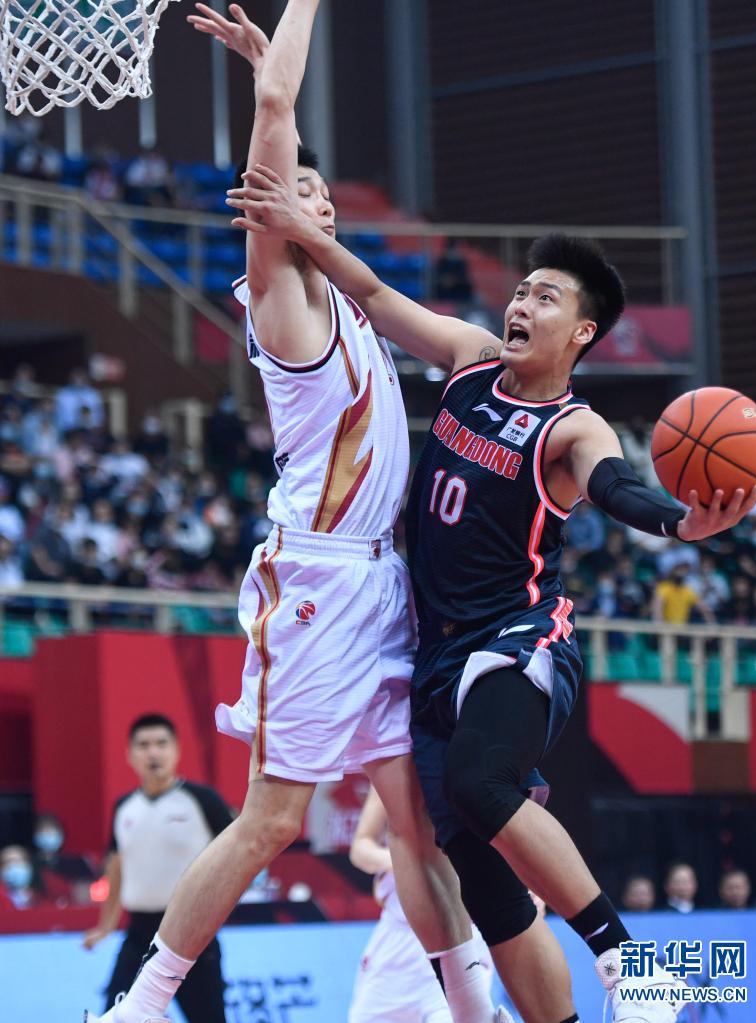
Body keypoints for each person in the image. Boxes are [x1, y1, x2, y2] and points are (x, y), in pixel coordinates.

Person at [229, 165, 756, 1022]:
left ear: (581, 331)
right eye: (520, 290)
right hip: (433, 646)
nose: (521, 304)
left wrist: (679, 523)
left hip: (519, 634)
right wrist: (302, 232)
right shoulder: (473, 359)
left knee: (482, 781)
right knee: (479, 874)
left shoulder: (573, 426)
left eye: (545, 297)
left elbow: (618, 486)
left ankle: (632, 966)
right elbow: (373, 293)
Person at [86, 4, 511, 1022]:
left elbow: (281, 112)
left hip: (381, 582)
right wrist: (272, 67)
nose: (314, 199)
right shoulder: (281, 302)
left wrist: (260, 78)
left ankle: (474, 1011)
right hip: (317, 579)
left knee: (416, 825)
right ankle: (139, 1005)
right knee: (273, 818)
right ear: (270, 210)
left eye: (323, 193)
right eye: (296, 189)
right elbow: (279, 108)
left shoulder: (354, 306)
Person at [83, 715, 232, 1022]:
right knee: (112, 1016)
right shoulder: (123, 807)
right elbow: (117, 868)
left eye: (161, 744)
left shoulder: (203, 800)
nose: (153, 752)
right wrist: (106, 925)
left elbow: (237, 855)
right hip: (138, 934)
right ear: (130, 755)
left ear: (176, 750)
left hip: (193, 935)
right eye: (144, 745)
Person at [349, 785, 495, 1023]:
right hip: (397, 945)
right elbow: (361, 848)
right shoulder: (390, 770)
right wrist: (406, 863)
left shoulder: (477, 773)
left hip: (462, 937)